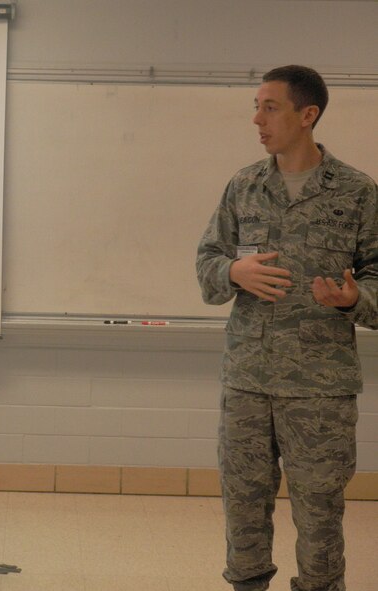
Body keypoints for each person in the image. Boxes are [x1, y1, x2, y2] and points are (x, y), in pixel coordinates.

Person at [196, 64, 377, 591]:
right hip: (248, 380)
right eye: (257, 106)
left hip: (320, 388)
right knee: (244, 507)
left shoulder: (357, 191)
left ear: (308, 114)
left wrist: (354, 298)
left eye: (269, 107)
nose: (257, 119)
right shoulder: (244, 186)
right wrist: (232, 270)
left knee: (320, 514)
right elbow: (207, 264)